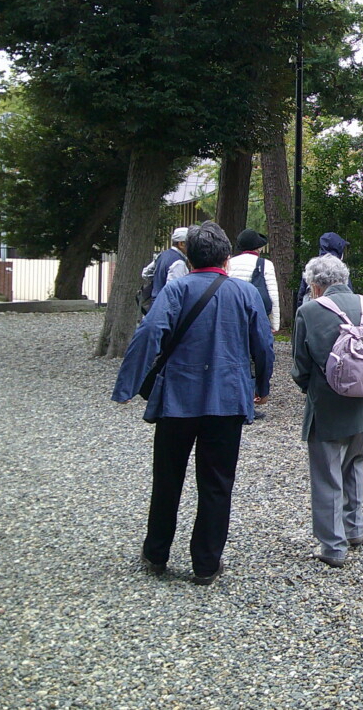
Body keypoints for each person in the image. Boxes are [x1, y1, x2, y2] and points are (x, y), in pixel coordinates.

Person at [113, 221, 274, 586]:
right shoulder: (245, 293)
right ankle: (205, 563)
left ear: (189, 257)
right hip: (227, 399)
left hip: (178, 398)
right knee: (217, 484)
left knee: (167, 479)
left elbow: (149, 332)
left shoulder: (176, 289)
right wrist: (261, 385)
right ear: (226, 258)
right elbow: (263, 344)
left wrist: (128, 386)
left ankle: (156, 553)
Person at [291, 254, 363, 568]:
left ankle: (333, 545)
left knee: (326, 472)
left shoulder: (309, 311)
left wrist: (311, 389)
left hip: (327, 403)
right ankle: (355, 528)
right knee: (354, 463)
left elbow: (300, 366)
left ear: (315, 286)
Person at [228, 228, 281, 332]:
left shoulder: (230, 263)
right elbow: (272, 296)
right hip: (258, 318)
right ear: (258, 248)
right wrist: (274, 324)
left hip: (234, 316)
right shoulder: (266, 264)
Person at [296, 232, 349, 310]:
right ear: (338, 249)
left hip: (312, 311)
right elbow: (348, 294)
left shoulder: (312, 267)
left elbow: (301, 296)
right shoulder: (341, 270)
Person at [143, 227, 190, 303]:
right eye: (190, 243)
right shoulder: (179, 263)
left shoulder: (162, 255)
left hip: (155, 304)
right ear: (181, 244)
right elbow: (174, 294)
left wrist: (158, 280)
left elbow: (145, 274)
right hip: (164, 306)